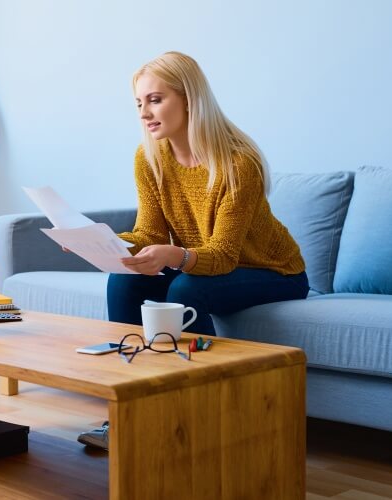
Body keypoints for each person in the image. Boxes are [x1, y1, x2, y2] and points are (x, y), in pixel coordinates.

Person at [77, 51, 309, 450]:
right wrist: (96, 239)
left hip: (275, 272)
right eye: (139, 104)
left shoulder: (238, 162)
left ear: (188, 99)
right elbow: (150, 231)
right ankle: (127, 413)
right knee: (126, 280)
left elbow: (222, 255)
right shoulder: (150, 157)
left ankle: (206, 415)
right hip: (211, 264)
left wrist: (174, 256)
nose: (145, 113)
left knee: (185, 289)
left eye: (155, 100)